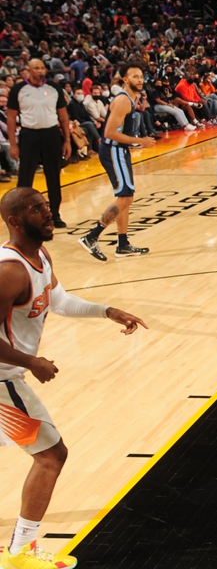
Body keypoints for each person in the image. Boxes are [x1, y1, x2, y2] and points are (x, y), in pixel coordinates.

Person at [0, 187, 147, 569]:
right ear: (15, 221)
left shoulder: (40, 256)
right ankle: (20, 554)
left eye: (46, 206)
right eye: (37, 210)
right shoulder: (9, 272)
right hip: (3, 380)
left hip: (10, 375)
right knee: (51, 456)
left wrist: (108, 311)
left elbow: (60, 300)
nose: (48, 213)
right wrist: (31, 362)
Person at [78, 64, 156, 261]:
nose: (140, 80)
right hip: (114, 150)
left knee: (126, 198)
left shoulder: (130, 98)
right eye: (135, 77)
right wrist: (141, 140)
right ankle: (91, 236)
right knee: (125, 198)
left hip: (119, 150)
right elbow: (109, 133)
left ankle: (122, 244)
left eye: (141, 76)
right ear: (124, 79)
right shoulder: (123, 100)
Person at [6, 60, 70, 228]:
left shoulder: (54, 88)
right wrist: (13, 144)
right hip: (29, 134)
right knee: (25, 177)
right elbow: (11, 118)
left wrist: (67, 140)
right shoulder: (18, 89)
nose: (40, 70)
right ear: (28, 70)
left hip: (51, 134)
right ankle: (21, 218)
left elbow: (63, 116)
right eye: (36, 68)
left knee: (53, 175)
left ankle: (54, 214)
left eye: (42, 67)